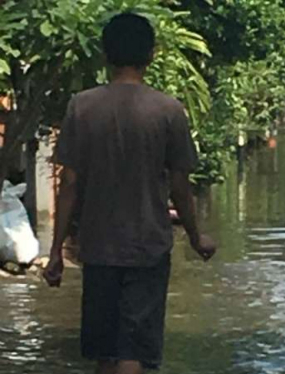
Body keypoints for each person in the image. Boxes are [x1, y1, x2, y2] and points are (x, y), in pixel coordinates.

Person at [42, 13, 217, 374]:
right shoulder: (169, 110)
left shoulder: (82, 106)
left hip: (98, 247)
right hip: (147, 248)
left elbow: (69, 184)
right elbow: (180, 186)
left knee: (106, 351)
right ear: (151, 55)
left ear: (105, 54)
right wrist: (197, 238)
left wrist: (55, 251)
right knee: (134, 350)